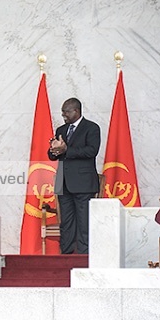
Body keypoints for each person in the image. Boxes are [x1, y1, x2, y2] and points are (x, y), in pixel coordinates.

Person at [48, 97, 100, 254]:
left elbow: (92, 151)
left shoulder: (92, 128)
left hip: (83, 183)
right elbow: (52, 156)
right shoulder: (61, 130)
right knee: (66, 222)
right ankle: (66, 254)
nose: (63, 116)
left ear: (76, 111)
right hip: (63, 182)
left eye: (66, 112)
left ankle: (84, 256)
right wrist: (54, 150)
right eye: (62, 112)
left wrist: (66, 150)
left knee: (84, 221)